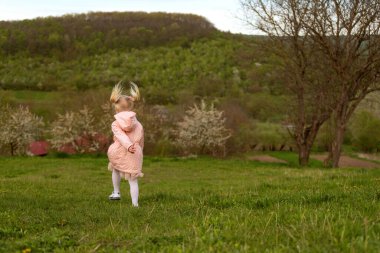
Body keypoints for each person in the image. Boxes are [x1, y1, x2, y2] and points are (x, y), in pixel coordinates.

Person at [107, 81, 144, 207]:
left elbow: (121, 136)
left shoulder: (115, 123)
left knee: (116, 168)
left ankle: (116, 192)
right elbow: (141, 139)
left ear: (117, 109)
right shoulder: (138, 123)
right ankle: (135, 204)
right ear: (131, 107)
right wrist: (139, 150)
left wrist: (128, 145)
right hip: (134, 151)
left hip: (120, 150)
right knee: (133, 180)